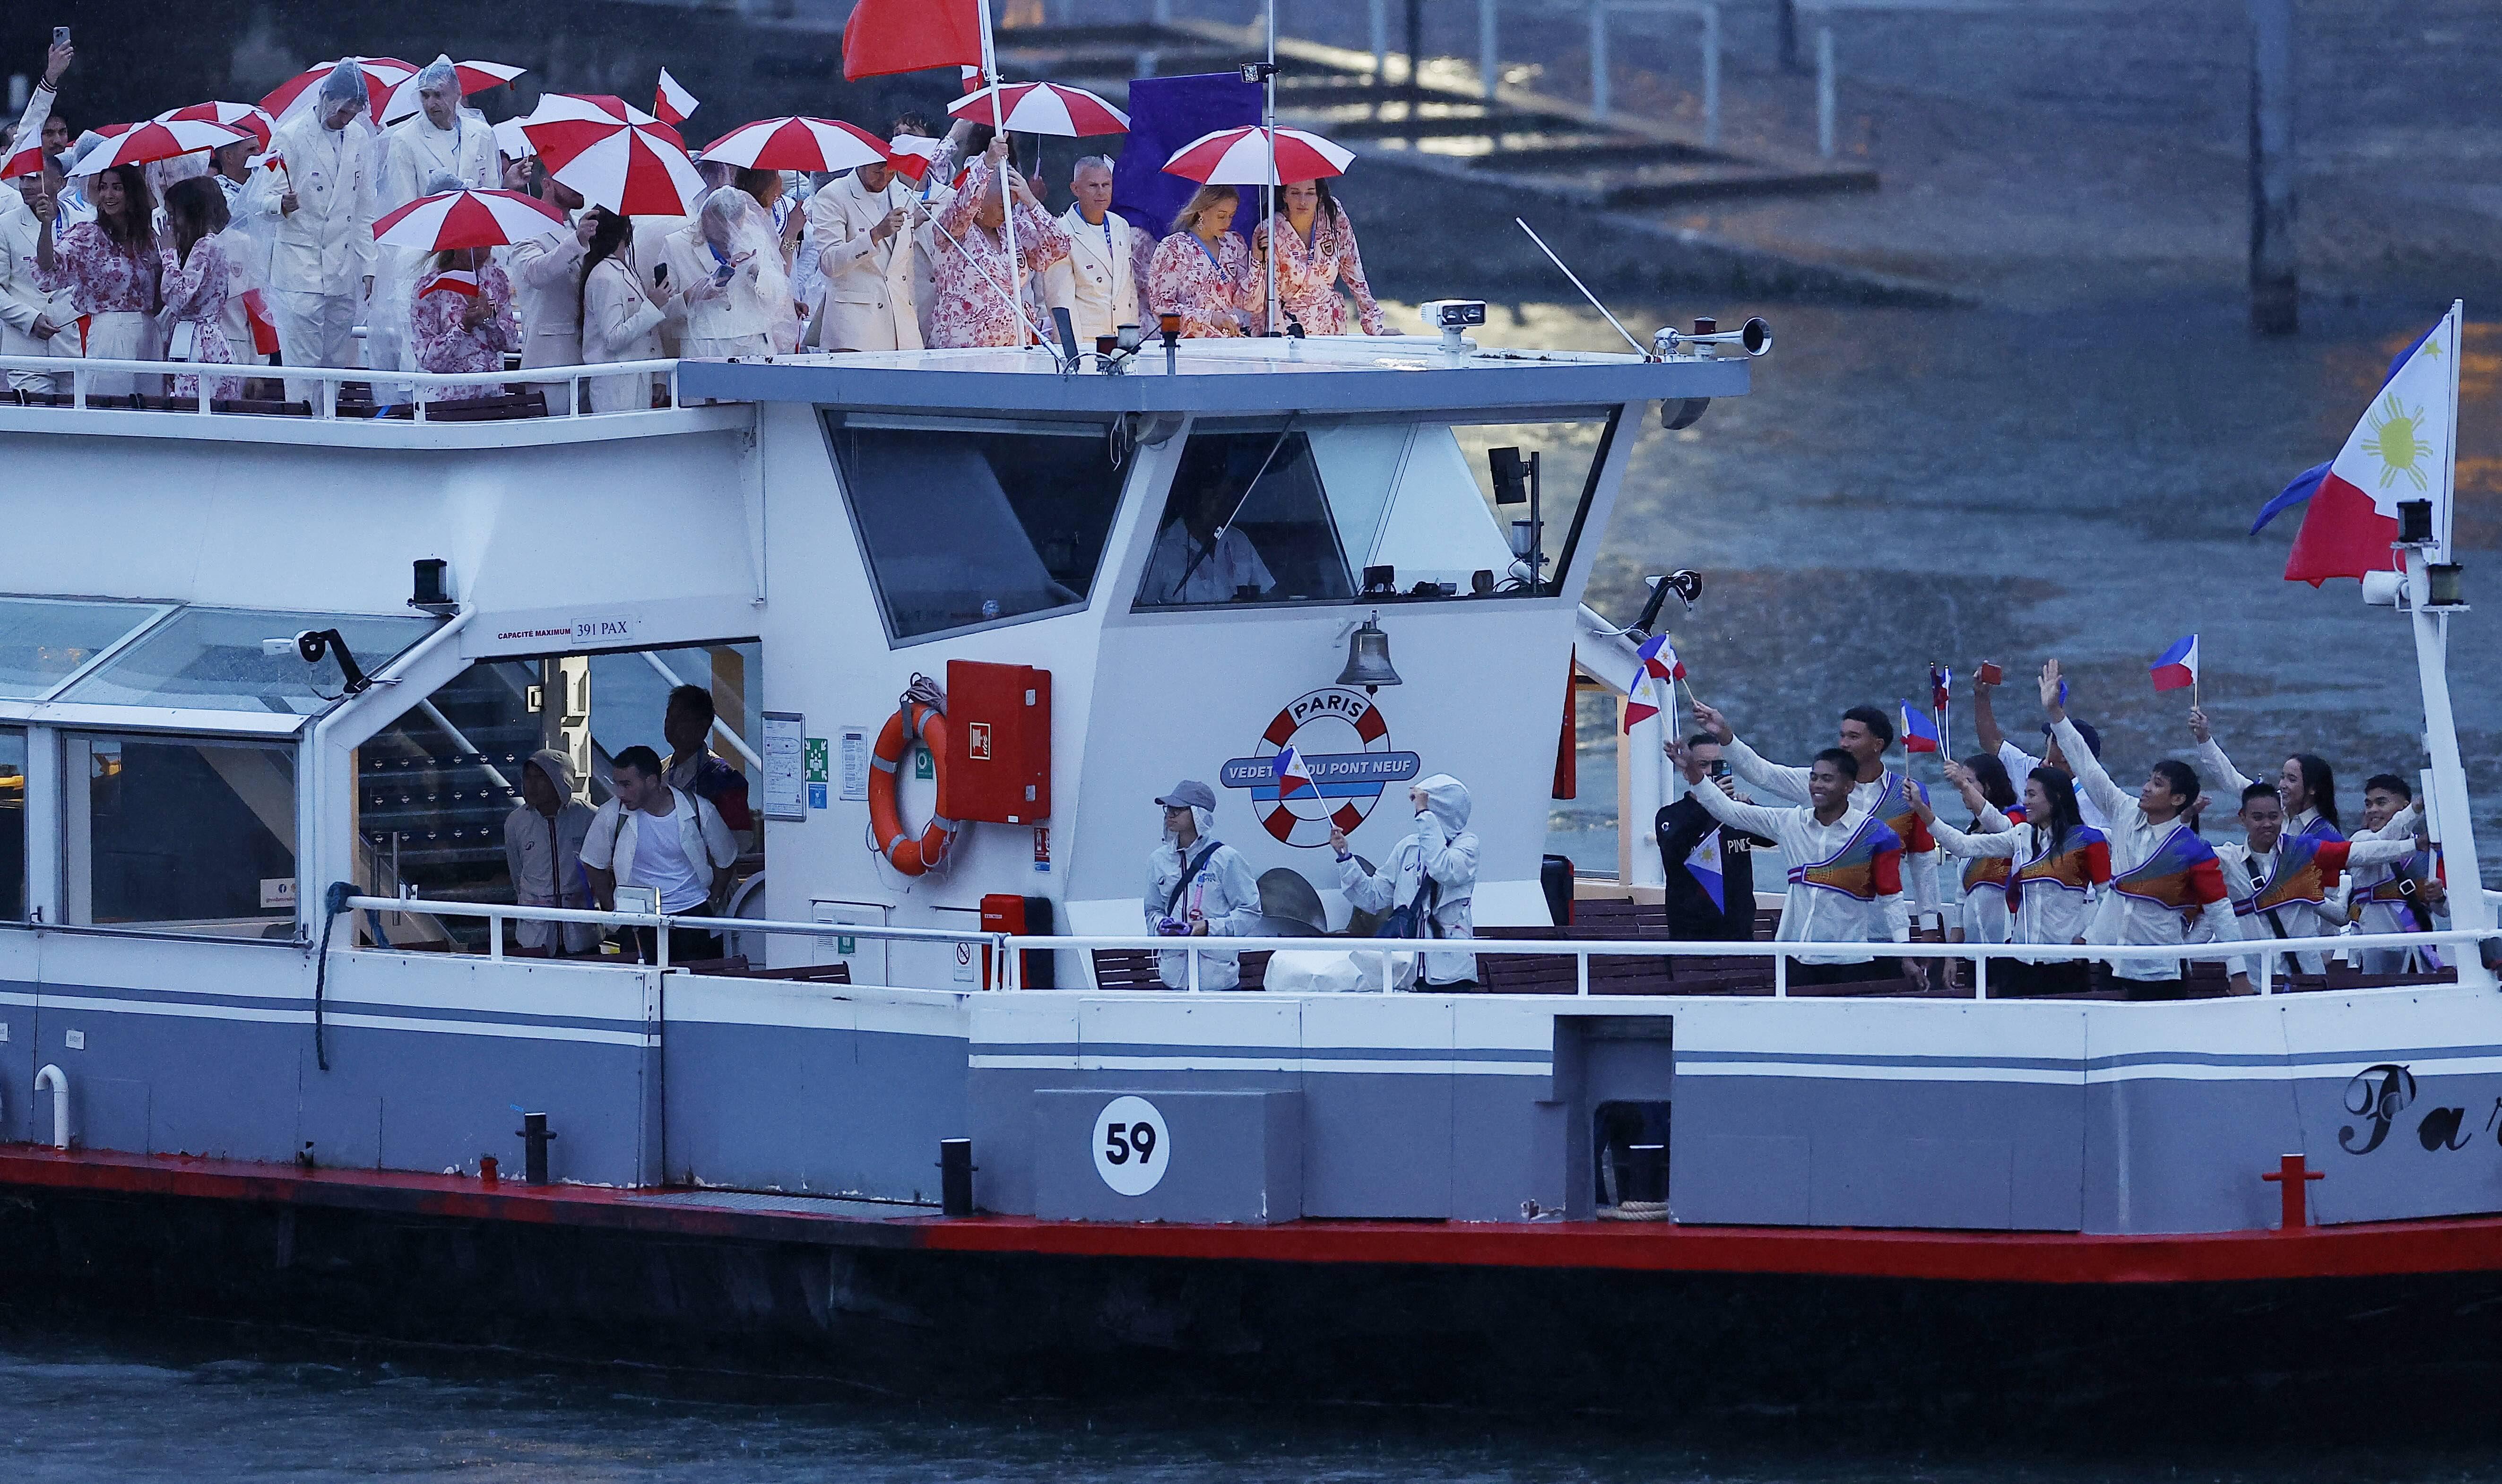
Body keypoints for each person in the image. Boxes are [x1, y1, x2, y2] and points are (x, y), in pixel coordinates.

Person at [2037, 660, 2234, 999]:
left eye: (2156, 785)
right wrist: (2056, 713)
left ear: (2178, 799)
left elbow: (2219, 912)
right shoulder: (2124, 811)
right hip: (2110, 960)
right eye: (2148, 780)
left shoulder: (2193, 850)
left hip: (2160, 970)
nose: (2145, 788)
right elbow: (2087, 766)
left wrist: (2239, 972)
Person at [1668, 742, 1917, 989]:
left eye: (1827, 779)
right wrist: (1694, 774)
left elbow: (1892, 898)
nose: (1817, 785)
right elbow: (1729, 812)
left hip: (1849, 958)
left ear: (1848, 787)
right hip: (1793, 954)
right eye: (1814, 778)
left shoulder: (1877, 835)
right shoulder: (1790, 823)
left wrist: (1905, 953)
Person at [1688, 698, 1942, 932]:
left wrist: (1929, 925)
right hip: (1822, 930)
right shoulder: (1819, 783)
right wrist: (1724, 735)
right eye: (1842, 736)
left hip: (1884, 930)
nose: (1844, 743)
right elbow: (1762, 774)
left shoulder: (1909, 793)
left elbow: (1923, 864)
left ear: (1878, 745)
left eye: (1854, 737)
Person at [1910, 760, 2110, 996]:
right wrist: (1922, 810)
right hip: (2020, 961)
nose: (2025, 802)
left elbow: (2108, 898)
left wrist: (2087, 940)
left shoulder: (2089, 841)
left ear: (2056, 797)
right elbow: (1963, 846)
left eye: (2032, 795)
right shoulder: (2022, 836)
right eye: (2025, 794)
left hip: (2065, 962)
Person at [248, 60, 377, 404]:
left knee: (335, 363)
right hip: (299, 268)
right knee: (303, 367)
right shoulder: (291, 135)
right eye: (340, 112)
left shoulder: (360, 138)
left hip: (343, 268)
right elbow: (260, 199)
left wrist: (369, 267)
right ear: (324, 98)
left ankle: (330, 425)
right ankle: (303, 426)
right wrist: (281, 205)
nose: (344, 119)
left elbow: (364, 209)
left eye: (351, 114)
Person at [2216, 782, 2419, 988]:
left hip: (2306, 978)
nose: (2267, 824)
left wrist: (2414, 845)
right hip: (2254, 980)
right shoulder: (2227, 860)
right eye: (2258, 818)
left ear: (2283, 816)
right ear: (2243, 818)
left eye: (2274, 817)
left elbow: (2359, 853)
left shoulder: (2302, 850)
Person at [376, 58, 494, 379]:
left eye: (439, 95)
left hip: (475, 255)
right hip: (425, 257)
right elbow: (405, 209)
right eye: (425, 95)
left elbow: (493, 195)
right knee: (429, 345)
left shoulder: (482, 135)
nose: (432, 104)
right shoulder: (405, 140)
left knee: (478, 339)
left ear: (457, 94)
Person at [583, 745, 738, 965]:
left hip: (691, 914)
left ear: (653, 781)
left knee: (693, 986)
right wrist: (612, 910)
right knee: (638, 989)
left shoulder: (699, 809)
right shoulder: (611, 813)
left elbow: (727, 858)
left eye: (627, 785)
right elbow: (592, 862)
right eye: (618, 785)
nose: (621, 793)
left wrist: (713, 900)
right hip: (636, 918)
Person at [1333, 775, 1481, 990]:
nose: (1416, 808)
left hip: (1450, 972)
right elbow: (1373, 898)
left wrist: (1424, 814)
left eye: (1421, 801)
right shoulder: (1408, 847)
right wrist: (1345, 858)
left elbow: (1444, 869)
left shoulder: (1467, 846)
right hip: (1406, 969)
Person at [926, 140, 1068, 350]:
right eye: (1003, 205)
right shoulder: (954, 227)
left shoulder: (1013, 228)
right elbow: (964, 205)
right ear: (982, 198)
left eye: (1012, 206)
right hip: (963, 350)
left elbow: (1058, 248)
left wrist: (1031, 201)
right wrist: (988, 163)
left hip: (1015, 346)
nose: (1007, 213)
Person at [37, 160, 160, 396]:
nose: (108, 194)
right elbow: (49, 266)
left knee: (150, 410)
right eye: (103, 187)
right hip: (110, 330)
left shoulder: (149, 237)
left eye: (117, 187)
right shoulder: (88, 234)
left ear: (132, 192)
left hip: (149, 331)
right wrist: (46, 227)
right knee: (110, 407)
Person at [1143, 779, 1261, 990]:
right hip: (1173, 980)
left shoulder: (1227, 859)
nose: (1170, 814)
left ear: (1198, 814)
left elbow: (1250, 912)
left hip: (1217, 981)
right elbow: (1153, 910)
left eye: (1179, 809)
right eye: (1169, 808)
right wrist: (1161, 925)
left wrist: (1207, 928)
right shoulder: (1157, 860)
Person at [806, 142, 920, 352]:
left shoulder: (903, 193)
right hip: (855, 332)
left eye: (892, 167)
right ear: (862, 162)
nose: (886, 174)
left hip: (903, 328)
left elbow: (905, 266)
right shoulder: (832, 196)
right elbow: (829, 263)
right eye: (878, 168)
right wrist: (875, 235)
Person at [1971, 664, 2110, 831]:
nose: (2046, 741)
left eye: (2053, 740)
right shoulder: (2034, 770)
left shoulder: (2095, 796)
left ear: (2067, 753)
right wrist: (1982, 696)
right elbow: (1992, 743)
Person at [1654, 735, 1765, 942]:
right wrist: (1710, 803)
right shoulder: (1670, 816)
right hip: (1690, 936)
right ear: (1687, 771)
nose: (1712, 772)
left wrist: (1749, 809)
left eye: (1719, 765)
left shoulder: (1738, 813)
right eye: (1703, 765)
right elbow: (1674, 847)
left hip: (1740, 934)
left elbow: (1771, 838)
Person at [1246, 177, 1386, 336]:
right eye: (1295, 193)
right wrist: (1280, 337)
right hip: (1289, 331)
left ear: (1319, 195)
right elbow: (1269, 294)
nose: (1303, 201)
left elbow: (1353, 267)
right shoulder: (1269, 230)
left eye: (1310, 193)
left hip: (1331, 327)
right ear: (1284, 195)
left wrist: (1373, 323)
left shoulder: (1332, 214)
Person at [2186, 708, 2343, 840]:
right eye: (2283, 777)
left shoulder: (2327, 836)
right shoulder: (2275, 804)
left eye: (2292, 779)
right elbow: (2230, 778)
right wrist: (2204, 738)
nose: (2283, 785)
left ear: (2312, 789)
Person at [502, 747, 599, 956]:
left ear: (560, 780)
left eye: (540, 778)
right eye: (527, 778)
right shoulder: (516, 822)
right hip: (535, 934)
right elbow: (516, 873)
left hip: (582, 932)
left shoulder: (589, 817)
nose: (531, 785)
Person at [577, 206, 675, 412]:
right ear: (625, 232)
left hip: (637, 379)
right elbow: (613, 339)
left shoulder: (624, 271)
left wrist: (658, 374)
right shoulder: (604, 276)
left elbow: (646, 330)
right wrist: (653, 305)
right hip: (615, 387)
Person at [665, 189, 779, 358]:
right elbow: (664, 310)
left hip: (754, 343)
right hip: (704, 347)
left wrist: (755, 272)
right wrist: (692, 295)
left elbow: (777, 296)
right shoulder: (676, 244)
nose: (727, 235)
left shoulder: (755, 239)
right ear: (706, 217)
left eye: (732, 228)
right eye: (720, 230)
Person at [1041, 155, 1140, 346]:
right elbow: (1061, 303)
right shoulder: (1061, 232)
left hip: (1122, 340)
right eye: (1093, 186)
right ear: (1075, 189)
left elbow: (1129, 290)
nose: (1101, 192)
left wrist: (1131, 339)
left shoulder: (1121, 226)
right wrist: (1073, 356)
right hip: (1088, 344)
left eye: (1106, 185)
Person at [156, 177, 240, 402]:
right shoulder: (209, 244)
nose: (170, 223)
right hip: (197, 339)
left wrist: (168, 254)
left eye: (174, 215)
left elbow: (177, 297)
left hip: (199, 344)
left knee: (191, 411)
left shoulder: (206, 245)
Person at [2343, 773, 2436, 973]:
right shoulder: (2360, 842)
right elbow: (2384, 842)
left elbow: (2443, 910)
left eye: (2381, 803)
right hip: (2377, 950)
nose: (2372, 810)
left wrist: (2439, 897)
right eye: (2368, 805)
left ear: (2403, 806)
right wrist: (2417, 809)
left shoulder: (2427, 851)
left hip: (2420, 953)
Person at [2, 153, 77, 394]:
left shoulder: (84, 221)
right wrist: (30, 319)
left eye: (35, 178)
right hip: (25, 348)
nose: (26, 185)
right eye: (23, 179)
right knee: (36, 424)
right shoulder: (5, 226)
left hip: (74, 348)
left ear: (60, 182)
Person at [1136, 476, 1275, 605]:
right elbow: (1140, 608)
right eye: (1215, 497)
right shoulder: (1161, 548)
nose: (1222, 505)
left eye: (1227, 498)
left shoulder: (1238, 540)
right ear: (1194, 501)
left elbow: (1267, 595)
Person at [407, 244, 514, 400]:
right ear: (456, 245)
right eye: (474, 246)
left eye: (487, 244)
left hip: (492, 393)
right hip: (448, 397)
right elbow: (428, 359)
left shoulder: (497, 279)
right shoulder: (429, 287)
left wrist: (490, 320)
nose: (483, 252)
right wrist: (464, 326)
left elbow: (510, 343)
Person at [509, 179, 588, 385]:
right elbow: (535, 273)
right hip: (550, 361)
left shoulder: (582, 224)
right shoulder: (525, 226)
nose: (579, 185)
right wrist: (577, 242)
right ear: (547, 184)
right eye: (569, 179)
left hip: (592, 358)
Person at [1146, 184, 1249, 338]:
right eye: (1221, 216)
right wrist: (1208, 318)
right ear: (1202, 210)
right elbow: (1161, 306)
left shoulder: (1235, 244)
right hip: (1190, 347)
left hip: (1232, 344)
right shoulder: (1173, 247)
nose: (1227, 223)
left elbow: (1250, 302)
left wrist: (1259, 261)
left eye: (1231, 216)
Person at [663, 683, 755, 854]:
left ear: (703, 726)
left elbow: (740, 842)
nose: (671, 724)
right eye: (670, 716)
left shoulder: (726, 779)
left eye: (681, 718)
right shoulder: (659, 772)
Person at [1942, 753, 2021, 949]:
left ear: (1989, 786)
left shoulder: (2017, 819)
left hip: (2007, 945)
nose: (1962, 789)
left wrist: (1963, 785)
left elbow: (2000, 828)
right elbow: (1961, 898)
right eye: (1963, 782)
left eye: (1970, 781)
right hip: (1973, 949)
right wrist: (1952, 956)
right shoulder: (1970, 833)